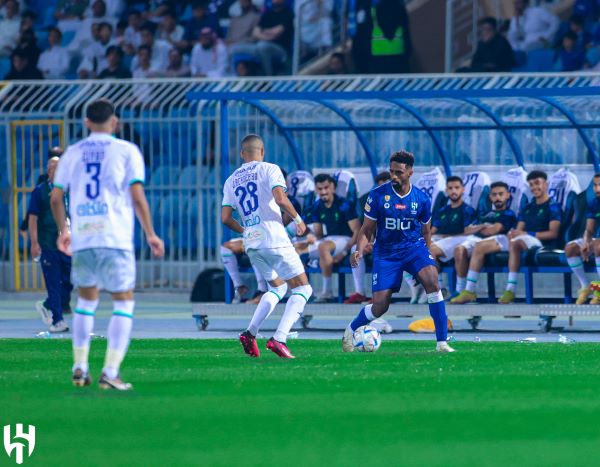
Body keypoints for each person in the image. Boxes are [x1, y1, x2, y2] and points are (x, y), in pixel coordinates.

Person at [50, 98, 164, 390]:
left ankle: (79, 366)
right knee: (123, 302)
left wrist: (65, 229)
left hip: (84, 237)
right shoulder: (126, 151)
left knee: (86, 302)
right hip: (115, 238)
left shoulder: (73, 153)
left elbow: (55, 197)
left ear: (86, 122)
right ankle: (110, 371)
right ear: (115, 122)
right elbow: (137, 196)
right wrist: (150, 233)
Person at [343, 150, 454, 353]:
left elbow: (426, 231)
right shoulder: (377, 196)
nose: (394, 176)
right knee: (380, 306)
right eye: (391, 171)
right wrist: (358, 250)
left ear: (410, 172)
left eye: (399, 172)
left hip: (414, 248)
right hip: (386, 253)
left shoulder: (421, 198)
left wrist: (428, 255)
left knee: (432, 281)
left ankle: (442, 343)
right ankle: (351, 329)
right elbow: (366, 229)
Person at [221, 134, 312, 359]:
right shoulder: (270, 168)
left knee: (278, 288)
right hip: (273, 237)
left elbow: (225, 218)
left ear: (243, 154)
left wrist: (245, 230)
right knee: (303, 288)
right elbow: (280, 199)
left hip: (252, 242)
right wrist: (299, 220)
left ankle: (250, 334)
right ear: (262, 152)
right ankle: (279, 338)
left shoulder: (231, 179)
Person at [448, 170, 561, 305]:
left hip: (539, 241)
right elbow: (519, 228)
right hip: (522, 238)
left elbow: (553, 233)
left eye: (537, 183)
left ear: (546, 185)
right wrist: (515, 232)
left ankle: (510, 290)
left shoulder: (553, 206)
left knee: (515, 242)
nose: (534, 187)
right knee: (480, 246)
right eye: (531, 184)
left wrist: (525, 234)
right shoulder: (528, 208)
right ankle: (469, 291)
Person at [405, 176, 476, 302]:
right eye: (450, 188)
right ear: (446, 190)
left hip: (460, 239)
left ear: (463, 190)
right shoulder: (442, 210)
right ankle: (429, 287)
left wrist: (443, 237)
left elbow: (466, 231)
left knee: (430, 250)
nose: (453, 191)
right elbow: (432, 231)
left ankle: (450, 289)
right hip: (443, 240)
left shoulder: (468, 210)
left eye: (457, 188)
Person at [295, 173, 360, 303]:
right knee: (295, 250)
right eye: (320, 189)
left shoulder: (344, 205)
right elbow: (319, 234)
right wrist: (311, 238)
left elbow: (357, 231)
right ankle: (304, 291)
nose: (323, 192)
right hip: (328, 240)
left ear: (333, 188)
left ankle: (327, 292)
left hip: (345, 239)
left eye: (326, 188)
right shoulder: (317, 206)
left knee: (323, 246)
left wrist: (344, 253)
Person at [450, 182, 518, 304]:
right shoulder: (483, 214)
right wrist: (483, 226)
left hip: (499, 239)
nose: (497, 197)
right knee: (459, 250)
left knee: (479, 247)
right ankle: (460, 290)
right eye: (494, 195)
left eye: (501, 194)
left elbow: (494, 230)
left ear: (507, 195)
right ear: (490, 197)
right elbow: (466, 230)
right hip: (475, 238)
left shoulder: (508, 214)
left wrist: (478, 227)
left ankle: (469, 291)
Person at [29, 151, 73, 333]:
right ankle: (57, 319)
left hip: (67, 244)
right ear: (49, 172)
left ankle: (47, 304)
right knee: (53, 282)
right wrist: (34, 242)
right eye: (55, 168)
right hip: (48, 243)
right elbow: (32, 218)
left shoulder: (68, 190)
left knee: (69, 280)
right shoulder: (40, 192)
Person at [345, 170, 390, 304]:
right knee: (356, 250)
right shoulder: (370, 201)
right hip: (377, 242)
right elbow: (367, 227)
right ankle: (360, 292)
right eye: (380, 186)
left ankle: (382, 294)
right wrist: (368, 243)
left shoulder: (402, 201)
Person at [229, 0, 294, 75]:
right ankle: (233, 78)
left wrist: (263, 32)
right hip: (259, 46)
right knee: (236, 49)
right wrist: (268, 35)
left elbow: (276, 33)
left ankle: (267, 77)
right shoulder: (267, 15)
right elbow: (255, 33)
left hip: (280, 50)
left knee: (263, 46)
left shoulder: (289, 14)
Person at [565, 173, 600, 304]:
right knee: (571, 248)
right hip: (597, 240)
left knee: (598, 245)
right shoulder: (594, 203)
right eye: (595, 185)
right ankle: (585, 286)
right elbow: (589, 229)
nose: (597, 189)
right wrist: (586, 242)